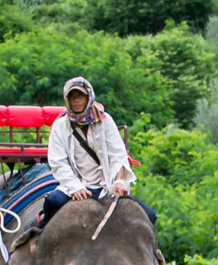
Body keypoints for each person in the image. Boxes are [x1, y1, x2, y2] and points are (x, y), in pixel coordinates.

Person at [38, 76, 154, 229]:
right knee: (53, 201)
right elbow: (58, 162)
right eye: (72, 97)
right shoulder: (60, 125)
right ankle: (38, 230)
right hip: (76, 185)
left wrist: (119, 182)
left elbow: (118, 155)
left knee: (150, 216)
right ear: (67, 100)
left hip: (106, 186)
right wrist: (75, 187)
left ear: (88, 96)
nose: (76, 100)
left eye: (80, 96)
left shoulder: (105, 120)